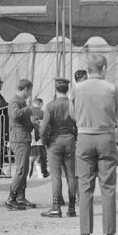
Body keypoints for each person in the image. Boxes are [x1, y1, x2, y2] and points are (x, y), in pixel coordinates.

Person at [71, 55, 118, 235]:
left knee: (85, 186)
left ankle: (85, 233)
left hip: (84, 136)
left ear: (88, 69)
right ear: (104, 68)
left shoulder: (77, 88)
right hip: (106, 136)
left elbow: (72, 114)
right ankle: (109, 233)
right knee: (108, 187)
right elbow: (116, 113)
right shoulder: (111, 88)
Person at [40, 77, 77, 218]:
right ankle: (72, 207)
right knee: (71, 175)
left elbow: (43, 128)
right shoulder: (72, 105)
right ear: (67, 89)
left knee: (55, 175)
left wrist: (45, 141)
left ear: (55, 89)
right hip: (69, 140)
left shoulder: (50, 106)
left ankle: (56, 207)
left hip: (54, 142)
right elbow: (78, 124)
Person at [6, 79, 36, 211]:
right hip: (19, 139)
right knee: (21, 169)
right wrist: (28, 109)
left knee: (24, 170)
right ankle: (11, 198)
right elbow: (15, 114)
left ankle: (20, 197)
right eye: (29, 91)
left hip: (23, 137)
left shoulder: (20, 101)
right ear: (26, 89)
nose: (30, 94)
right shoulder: (15, 101)